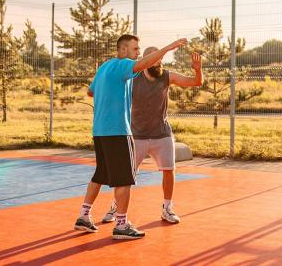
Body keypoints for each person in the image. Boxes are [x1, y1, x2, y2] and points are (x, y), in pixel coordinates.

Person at [73, 35, 187, 240]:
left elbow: (91, 92)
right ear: (124, 50)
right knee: (124, 179)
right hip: (117, 131)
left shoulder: (105, 67)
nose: (137, 54)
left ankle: (83, 216)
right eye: (135, 50)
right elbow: (144, 63)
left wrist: (110, 95)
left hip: (99, 131)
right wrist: (168, 47)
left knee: (100, 174)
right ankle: (121, 224)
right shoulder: (123, 64)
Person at [101, 47, 203, 224]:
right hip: (136, 135)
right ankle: (116, 206)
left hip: (161, 134)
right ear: (146, 60)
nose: (159, 62)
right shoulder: (133, 78)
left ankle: (167, 208)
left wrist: (197, 69)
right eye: (155, 58)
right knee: (126, 175)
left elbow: (196, 82)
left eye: (161, 58)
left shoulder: (167, 76)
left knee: (169, 170)